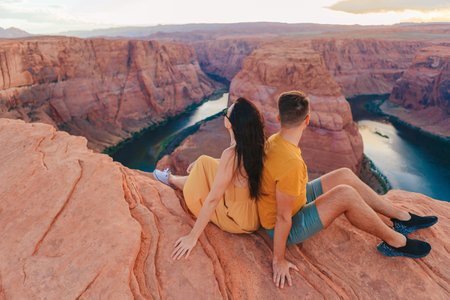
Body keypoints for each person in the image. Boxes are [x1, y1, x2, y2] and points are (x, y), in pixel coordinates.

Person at [259, 90, 438, 289]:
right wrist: (279, 259)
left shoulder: (276, 140)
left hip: (295, 201)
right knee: (345, 194)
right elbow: (283, 218)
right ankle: (394, 241)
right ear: (307, 120)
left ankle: (401, 218)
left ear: (279, 117)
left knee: (344, 174)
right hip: (286, 226)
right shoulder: (290, 162)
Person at [153, 97, 266, 260]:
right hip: (252, 214)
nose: (224, 114)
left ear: (231, 123)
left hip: (237, 221)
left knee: (200, 183)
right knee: (204, 161)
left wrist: (192, 237)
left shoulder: (232, 154)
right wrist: (201, 162)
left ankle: (171, 179)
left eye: (226, 112)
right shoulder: (256, 145)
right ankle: (172, 178)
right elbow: (234, 167)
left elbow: (213, 199)